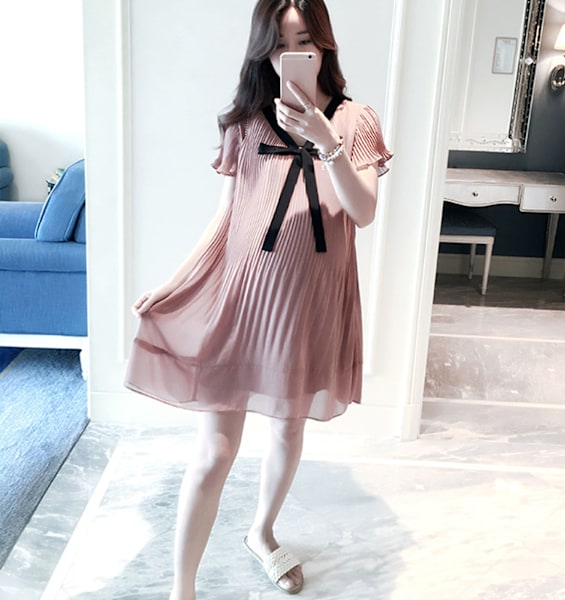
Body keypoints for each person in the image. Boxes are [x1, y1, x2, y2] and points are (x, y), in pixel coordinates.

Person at [124, 0, 392, 597]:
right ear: (262, 52)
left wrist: (326, 142)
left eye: (304, 42)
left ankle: (262, 533)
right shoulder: (245, 125)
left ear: (324, 44)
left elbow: (364, 212)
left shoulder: (357, 121)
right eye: (278, 45)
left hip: (309, 307)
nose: (291, 55)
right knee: (215, 453)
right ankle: (182, 589)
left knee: (287, 431)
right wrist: (171, 283)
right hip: (244, 302)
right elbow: (225, 221)